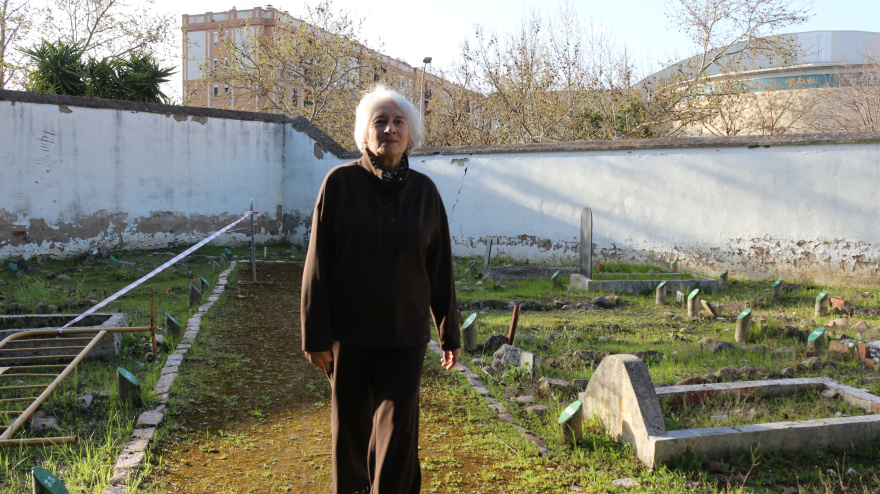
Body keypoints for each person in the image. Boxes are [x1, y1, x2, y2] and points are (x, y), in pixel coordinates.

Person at [300, 84, 461, 494]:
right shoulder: (340, 184)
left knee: (398, 436)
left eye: (398, 122)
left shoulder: (426, 193)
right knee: (350, 435)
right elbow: (317, 263)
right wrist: (315, 335)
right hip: (348, 337)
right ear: (365, 133)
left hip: (405, 336)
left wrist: (449, 330)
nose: (390, 129)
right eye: (380, 121)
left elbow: (439, 266)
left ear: (410, 133)